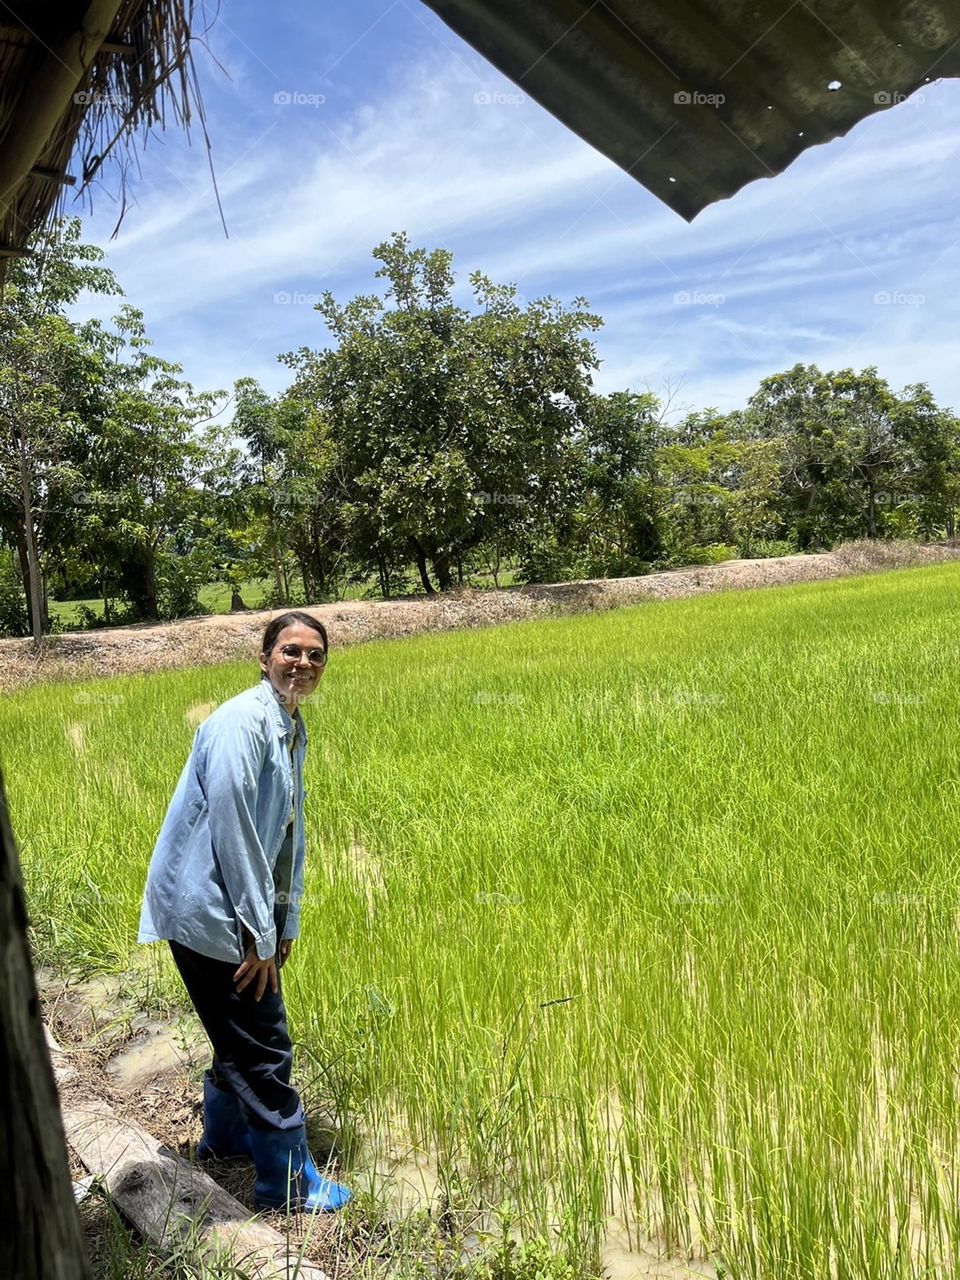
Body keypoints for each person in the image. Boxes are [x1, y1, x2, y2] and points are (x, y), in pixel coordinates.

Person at [136, 610, 351, 1214]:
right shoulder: (241, 724)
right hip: (209, 909)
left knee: (235, 1032)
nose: (302, 663)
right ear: (264, 659)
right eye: (290, 651)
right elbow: (236, 835)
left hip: (229, 907)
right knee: (264, 1041)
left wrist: (284, 922)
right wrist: (260, 934)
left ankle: (225, 1137)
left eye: (315, 655)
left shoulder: (287, 724)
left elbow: (285, 835)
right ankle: (285, 1185)